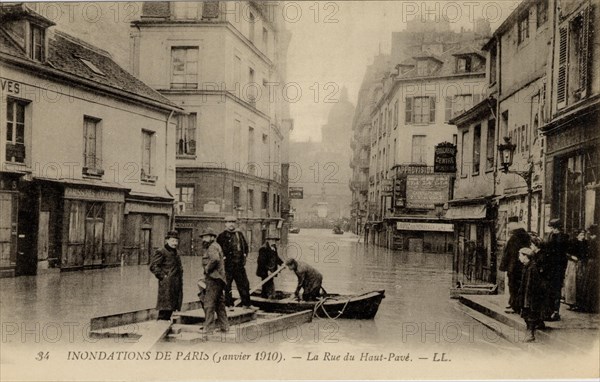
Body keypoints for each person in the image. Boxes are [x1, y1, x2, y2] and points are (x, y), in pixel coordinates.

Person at [217, 216, 251, 308]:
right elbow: (218, 251)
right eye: (229, 222)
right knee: (227, 285)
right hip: (227, 266)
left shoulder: (239, 234)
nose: (231, 224)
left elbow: (245, 247)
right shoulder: (221, 236)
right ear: (225, 224)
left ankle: (246, 304)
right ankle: (229, 305)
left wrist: (244, 256)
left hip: (239, 265)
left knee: (244, 284)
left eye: (233, 222)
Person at [199, 227, 229, 333]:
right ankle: (224, 326)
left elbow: (215, 259)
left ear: (212, 237)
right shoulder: (216, 246)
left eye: (206, 237)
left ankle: (209, 328)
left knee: (208, 303)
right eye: (203, 237)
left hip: (214, 279)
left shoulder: (212, 247)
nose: (204, 239)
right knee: (220, 304)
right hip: (219, 279)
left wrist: (207, 269)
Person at [149, 231, 183, 321]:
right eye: (172, 241)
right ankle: (160, 324)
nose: (175, 243)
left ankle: (166, 323)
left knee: (172, 305)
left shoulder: (176, 252)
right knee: (164, 306)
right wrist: (163, 277)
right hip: (167, 284)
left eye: (176, 241)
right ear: (167, 240)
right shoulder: (161, 251)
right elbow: (153, 266)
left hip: (176, 283)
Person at [499, 222, 531, 314]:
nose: (508, 229)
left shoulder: (514, 238)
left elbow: (508, 254)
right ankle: (515, 304)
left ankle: (515, 306)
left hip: (513, 267)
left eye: (509, 228)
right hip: (522, 265)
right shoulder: (526, 236)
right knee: (520, 286)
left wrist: (505, 266)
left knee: (513, 286)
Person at [517, 247, 546, 342]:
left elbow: (531, 286)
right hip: (527, 297)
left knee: (530, 315)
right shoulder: (527, 267)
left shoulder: (532, 268)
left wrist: (527, 300)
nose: (519, 257)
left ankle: (530, 334)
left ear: (526, 256)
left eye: (520, 255)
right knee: (527, 315)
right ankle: (531, 331)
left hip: (531, 297)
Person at [544, 218, 570, 321]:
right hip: (550, 267)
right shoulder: (550, 235)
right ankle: (549, 311)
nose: (551, 229)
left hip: (558, 268)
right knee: (550, 290)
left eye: (552, 227)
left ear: (557, 228)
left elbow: (560, 254)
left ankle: (555, 311)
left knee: (556, 290)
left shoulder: (563, 238)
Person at [564, 230, 588, 310]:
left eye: (583, 235)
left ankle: (579, 303)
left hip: (581, 264)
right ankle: (571, 303)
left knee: (580, 283)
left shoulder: (585, 243)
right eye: (581, 235)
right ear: (577, 235)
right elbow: (567, 253)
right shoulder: (572, 242)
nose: (582, 236)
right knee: (571, 283)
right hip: (572, 264)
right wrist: (571, 257)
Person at [581, 224, 599, 313]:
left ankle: (589, 305)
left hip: (592, 263)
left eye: (589, 231)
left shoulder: (592, 240)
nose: (587, 232)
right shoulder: (595, 240)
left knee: (589, 283)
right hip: (595, 263)